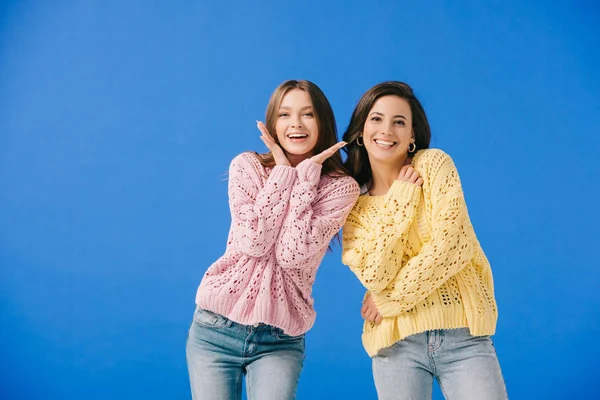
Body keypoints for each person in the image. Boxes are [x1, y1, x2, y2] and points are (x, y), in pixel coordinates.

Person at [186, 79, 360, 400]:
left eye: (307, 114)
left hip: (280, 340)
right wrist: (282, 171)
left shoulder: (339, 188)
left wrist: (306, 176)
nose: (296, 124)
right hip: (215, 330)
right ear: (272, 123)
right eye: (285, 115)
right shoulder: (247, 166)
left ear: (322, 122)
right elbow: (254, 243)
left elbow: (292, 254)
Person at [341, 81, 507, 400]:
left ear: (412, 135)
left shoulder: (433, 165)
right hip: (395, 345)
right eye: (376, 119)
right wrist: (402, 197)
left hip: (464, 336)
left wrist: (389, 299)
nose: (386, 130)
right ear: (361, 131)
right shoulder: (353, 208)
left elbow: (453, 246)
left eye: (399, 121)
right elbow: (376, 274)